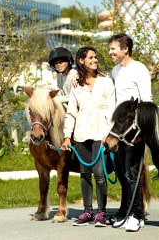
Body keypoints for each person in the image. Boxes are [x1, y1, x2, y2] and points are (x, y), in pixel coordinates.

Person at [61, 46, 115, 227]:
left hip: (100, 133)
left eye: (95, 57)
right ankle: (87, 211)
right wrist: (67, 136)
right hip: (81, 134)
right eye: (90, 57)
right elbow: (71, 113)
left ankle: (101, 212)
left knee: (99, 174)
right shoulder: (77, 86)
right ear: (82, 61)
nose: (95, 60)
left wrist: (107, 134)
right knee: (85, 174)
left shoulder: (106, 82)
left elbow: (112, 109)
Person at [107, 33, 152, 232]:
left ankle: (137, 215)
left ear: (125, 49)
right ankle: (125, 211)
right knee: (122, 174)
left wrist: (142, 130)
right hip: (118, 131)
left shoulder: (139, 69)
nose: (110, 53)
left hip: (134, 132)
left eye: (113, 49)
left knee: (133, 174)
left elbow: (147, 101)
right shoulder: (114, 71)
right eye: (110, 49)